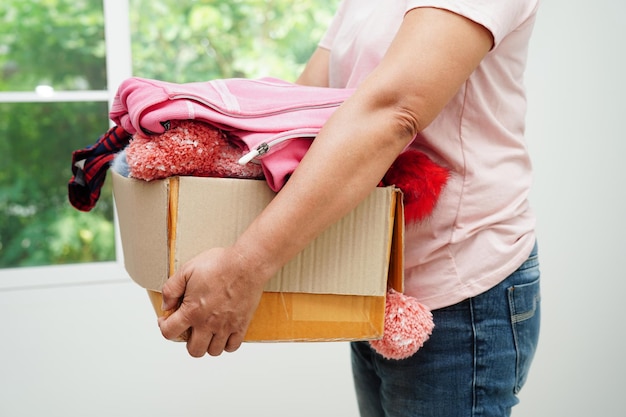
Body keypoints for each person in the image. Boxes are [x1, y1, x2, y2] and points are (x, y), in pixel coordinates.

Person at [158, 1, 541, 416]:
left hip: (458, 287)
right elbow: (305, 108)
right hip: (372, 279)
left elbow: (394, 111)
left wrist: (243, 267)